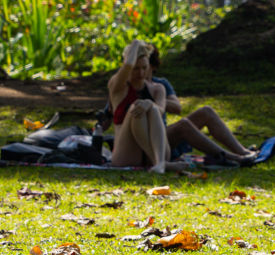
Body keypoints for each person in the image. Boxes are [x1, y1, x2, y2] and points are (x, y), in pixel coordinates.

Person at [107, 40, 256, 169]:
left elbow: (167, 109)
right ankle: (230, 156)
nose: (140, 73)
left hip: (157, 143)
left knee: (154, 108)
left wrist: (149, 104)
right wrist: (136, 44)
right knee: (136, 108)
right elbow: (127, 65)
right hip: (128, 151)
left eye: (144, 68)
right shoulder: (119, 87)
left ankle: (236, 154)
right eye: (136, 69)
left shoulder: (158, 87)